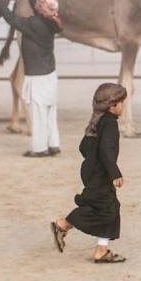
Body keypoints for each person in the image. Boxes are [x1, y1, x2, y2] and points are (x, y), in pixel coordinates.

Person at [50, 83, 129, 263]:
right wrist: (115, 173)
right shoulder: (109, 124)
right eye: (122, 103)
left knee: (108, 208)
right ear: (112, 105)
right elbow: (106, 151)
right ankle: (62, 225)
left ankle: (101, 249)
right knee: (104, 210)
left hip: (91, 171)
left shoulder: (97, 121)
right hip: (101, 174)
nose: (123, 106)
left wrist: (93, 160)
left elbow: (83, 147)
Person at [0, 0, 62, 157]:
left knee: (38, 113)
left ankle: (39, 149)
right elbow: (36, 2)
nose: (39, 2)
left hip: (38, 76)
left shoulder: (35, 24)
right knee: (50, 112)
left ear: (45, 10)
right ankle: (53, 144)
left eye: (42, 3)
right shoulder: (49, 22)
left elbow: (11, 18)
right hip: (49, 75)